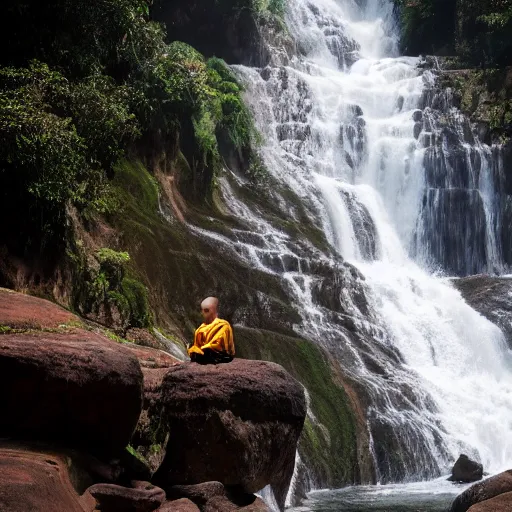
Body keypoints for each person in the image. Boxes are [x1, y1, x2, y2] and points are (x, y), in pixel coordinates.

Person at [188, 297, 235, 364]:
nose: (203, 313)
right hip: (204, 352)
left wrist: (204, 348)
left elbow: (218, 345)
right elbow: (197, 345)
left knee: (209, 352)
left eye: (206, 310)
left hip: (219, 354)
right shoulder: (201, 328)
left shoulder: (223, 325)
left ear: (214, 311)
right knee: (194, 352)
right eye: (202, 310)